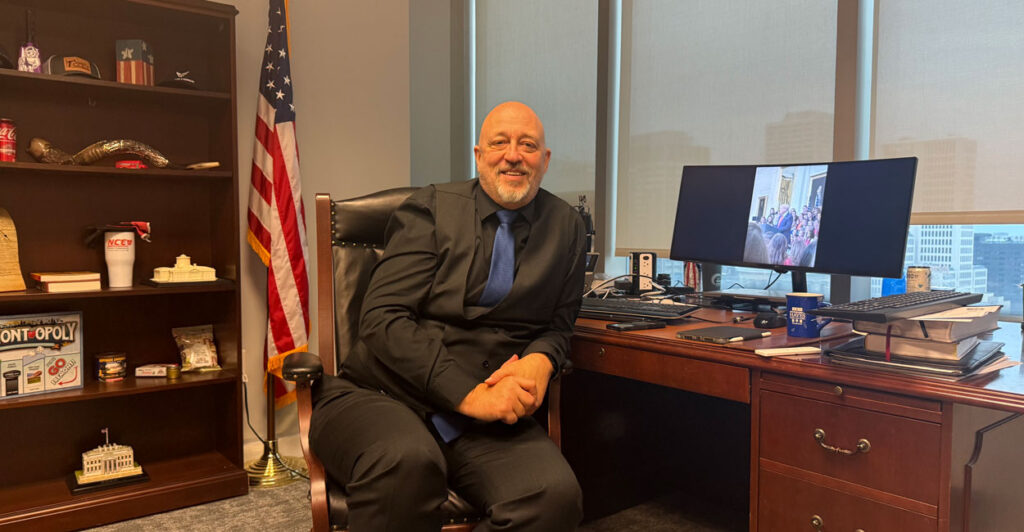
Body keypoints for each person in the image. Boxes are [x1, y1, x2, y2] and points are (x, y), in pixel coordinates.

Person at [309, 101, 586, 531]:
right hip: (383, 395)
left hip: (487, 417)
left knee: (552, 498)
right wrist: (469, 393)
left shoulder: (567, 227)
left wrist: (542, 360)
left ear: (544, 160)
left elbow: (559, 327)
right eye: (500, 142)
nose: (513, 154)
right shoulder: (430, 210)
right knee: (407, 464)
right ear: (479, 156)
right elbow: (382, 318)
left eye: (527, 145)